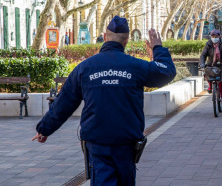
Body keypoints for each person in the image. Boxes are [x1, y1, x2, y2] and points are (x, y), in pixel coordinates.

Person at [32, 16, 176, 186]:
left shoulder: (85, 68)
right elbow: (166, 71)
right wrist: (157, 48)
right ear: (126, 40)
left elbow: (65, 102)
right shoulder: (136, 67)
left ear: (105, 37)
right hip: (126, 143)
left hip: (97, 142)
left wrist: (45, 129)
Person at [200, 29, 222, 108]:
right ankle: (210, 86)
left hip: (221, 65)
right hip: (211, 65)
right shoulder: (208, 44)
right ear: (211, 37)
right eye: (213, 36)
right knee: (207, 73)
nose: (214, 38)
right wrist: (202, 64)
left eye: (216, 36)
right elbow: (203, 55)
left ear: (219, 36)